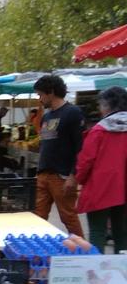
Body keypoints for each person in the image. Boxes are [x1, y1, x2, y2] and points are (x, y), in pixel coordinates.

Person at [75, 87, 127, 252]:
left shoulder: (99, 131)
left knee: (97, 232)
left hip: (100, 188)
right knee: (122, 233)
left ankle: (96, 273)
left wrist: (79, 179)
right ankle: (123, 273)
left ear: (107, 106)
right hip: (124, 189)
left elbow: (86, 161)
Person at [33, 74, 85, 237]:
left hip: (62, 176)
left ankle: (82, 252)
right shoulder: (47, 116)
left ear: (51, 92)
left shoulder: (73, 113)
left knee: (68, 216)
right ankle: (36, 251)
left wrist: (73, 176)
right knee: (37, 216)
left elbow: (80, 147)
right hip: (43, 173)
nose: (40, 99)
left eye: (41, 94)